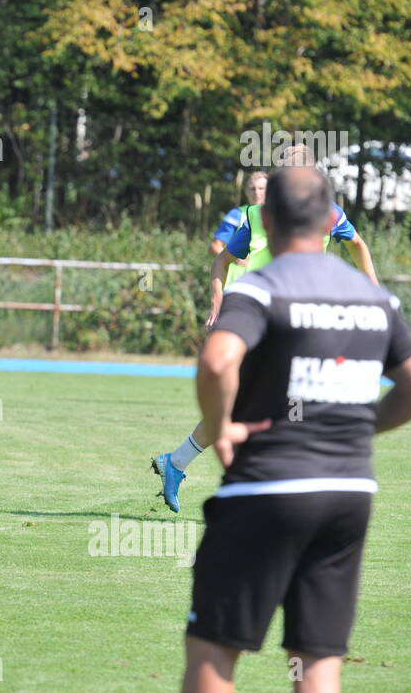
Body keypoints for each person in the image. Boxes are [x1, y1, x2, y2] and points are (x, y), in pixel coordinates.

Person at [181, 163, 411, 693]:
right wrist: (361, 424)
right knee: (317, 662)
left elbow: (218, 360)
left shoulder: (261, 286)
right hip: (348, 498)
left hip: (265, 490)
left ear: (266, 218)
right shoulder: (374, 299)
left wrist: (222, 426)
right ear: (329, 220)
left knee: (214, 651)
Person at [152, 146, 381, 512]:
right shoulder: (258, 217)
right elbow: (221, 260)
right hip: (258, 321)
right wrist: (217, 303)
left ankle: (178, 463)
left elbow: (357, 244)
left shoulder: (328, 213)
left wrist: (373, 288)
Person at [210, 171, 267, 287]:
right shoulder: (237, 214)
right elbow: (215, 246)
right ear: (246, 191)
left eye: (261, 188)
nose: (257, 192)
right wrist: (236, 257)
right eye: (252, 189)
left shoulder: (279, 215)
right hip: (236, 286)